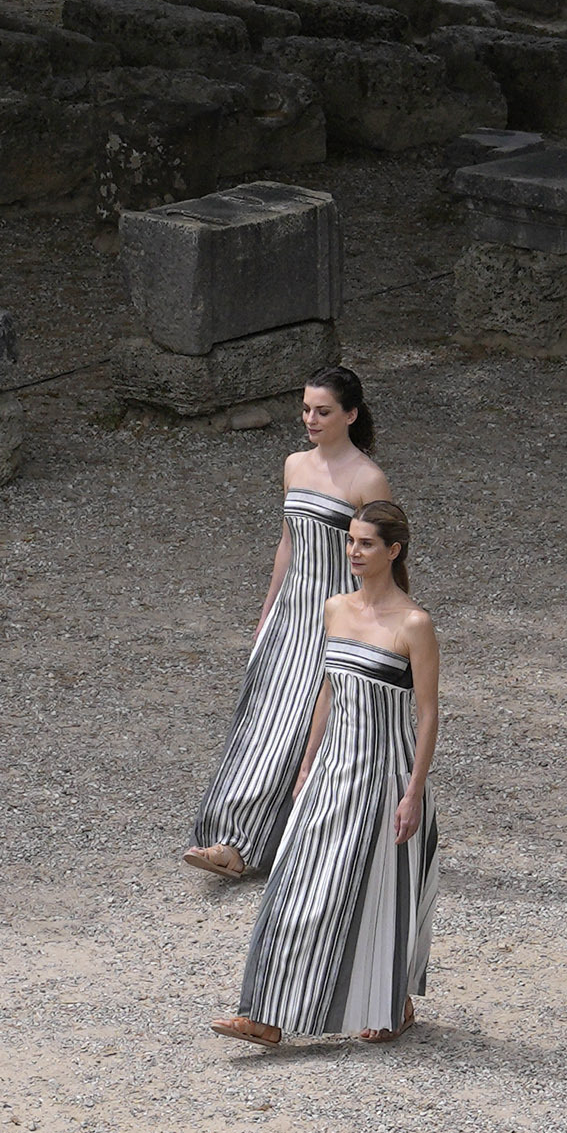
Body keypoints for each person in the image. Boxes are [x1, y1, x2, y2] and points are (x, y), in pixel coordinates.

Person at [224, 498, 440, 1047]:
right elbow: (326, 689)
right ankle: (265, 1014)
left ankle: (392, 1001)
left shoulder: (414, 624)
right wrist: (306, 763)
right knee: (295, 886)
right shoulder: (334, 608)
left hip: (386, 777)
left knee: (376, 893)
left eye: (367, 543)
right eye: (350, 541)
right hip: (331, 770)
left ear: (393, 551)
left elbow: (428, 713)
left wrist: (413, 792)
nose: (354, 551)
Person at [191, 371, 391, 881]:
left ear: (350, 414)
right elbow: (287, 542)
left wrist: (369, 622)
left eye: (322, 411)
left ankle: (263, 844)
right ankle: (229, 837)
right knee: (259, 723)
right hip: (290, 612)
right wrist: (267, 610)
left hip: (335, 616)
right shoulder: (294, 465)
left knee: (298, 732)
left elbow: (379, 555)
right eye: (305, 410)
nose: (310, 420)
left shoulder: (368, 480)